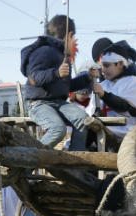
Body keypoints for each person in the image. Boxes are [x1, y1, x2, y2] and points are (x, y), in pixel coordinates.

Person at [20, 14, 93, 150]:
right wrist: (56, 73)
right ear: (69, 35)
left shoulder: (62, 55)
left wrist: (87, 78)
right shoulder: (44, 51)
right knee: (57, 129)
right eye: (74, 38)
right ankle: (29, 159)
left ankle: (75, 163)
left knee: (83, 120)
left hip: (59, 103)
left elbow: (66, 86)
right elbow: (34, 77)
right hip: (39, 104)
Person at [89, 39, 136, 136]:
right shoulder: (103, 85)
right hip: (104, 136)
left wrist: (104, 95)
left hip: (129, 137)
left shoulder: (133, 82)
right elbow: (91, 113)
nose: (101, 67)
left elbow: (126, 107)